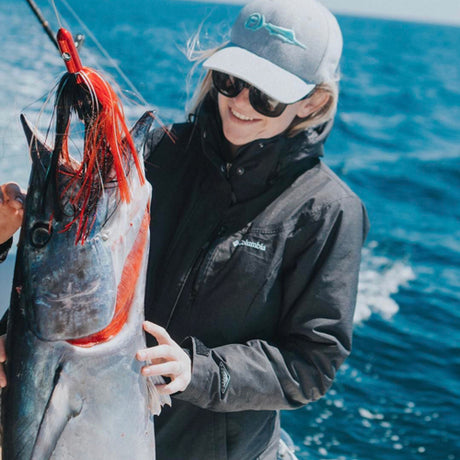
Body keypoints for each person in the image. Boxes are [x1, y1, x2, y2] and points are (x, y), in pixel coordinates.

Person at [0, 0, 369, 458]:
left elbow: (312, 364)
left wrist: (201, 372)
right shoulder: (154, 152)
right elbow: (73, 275)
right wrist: (24, 346)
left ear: (313, 101)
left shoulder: (328, 210)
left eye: (266, 95)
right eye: (230, 80)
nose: (239, 103)